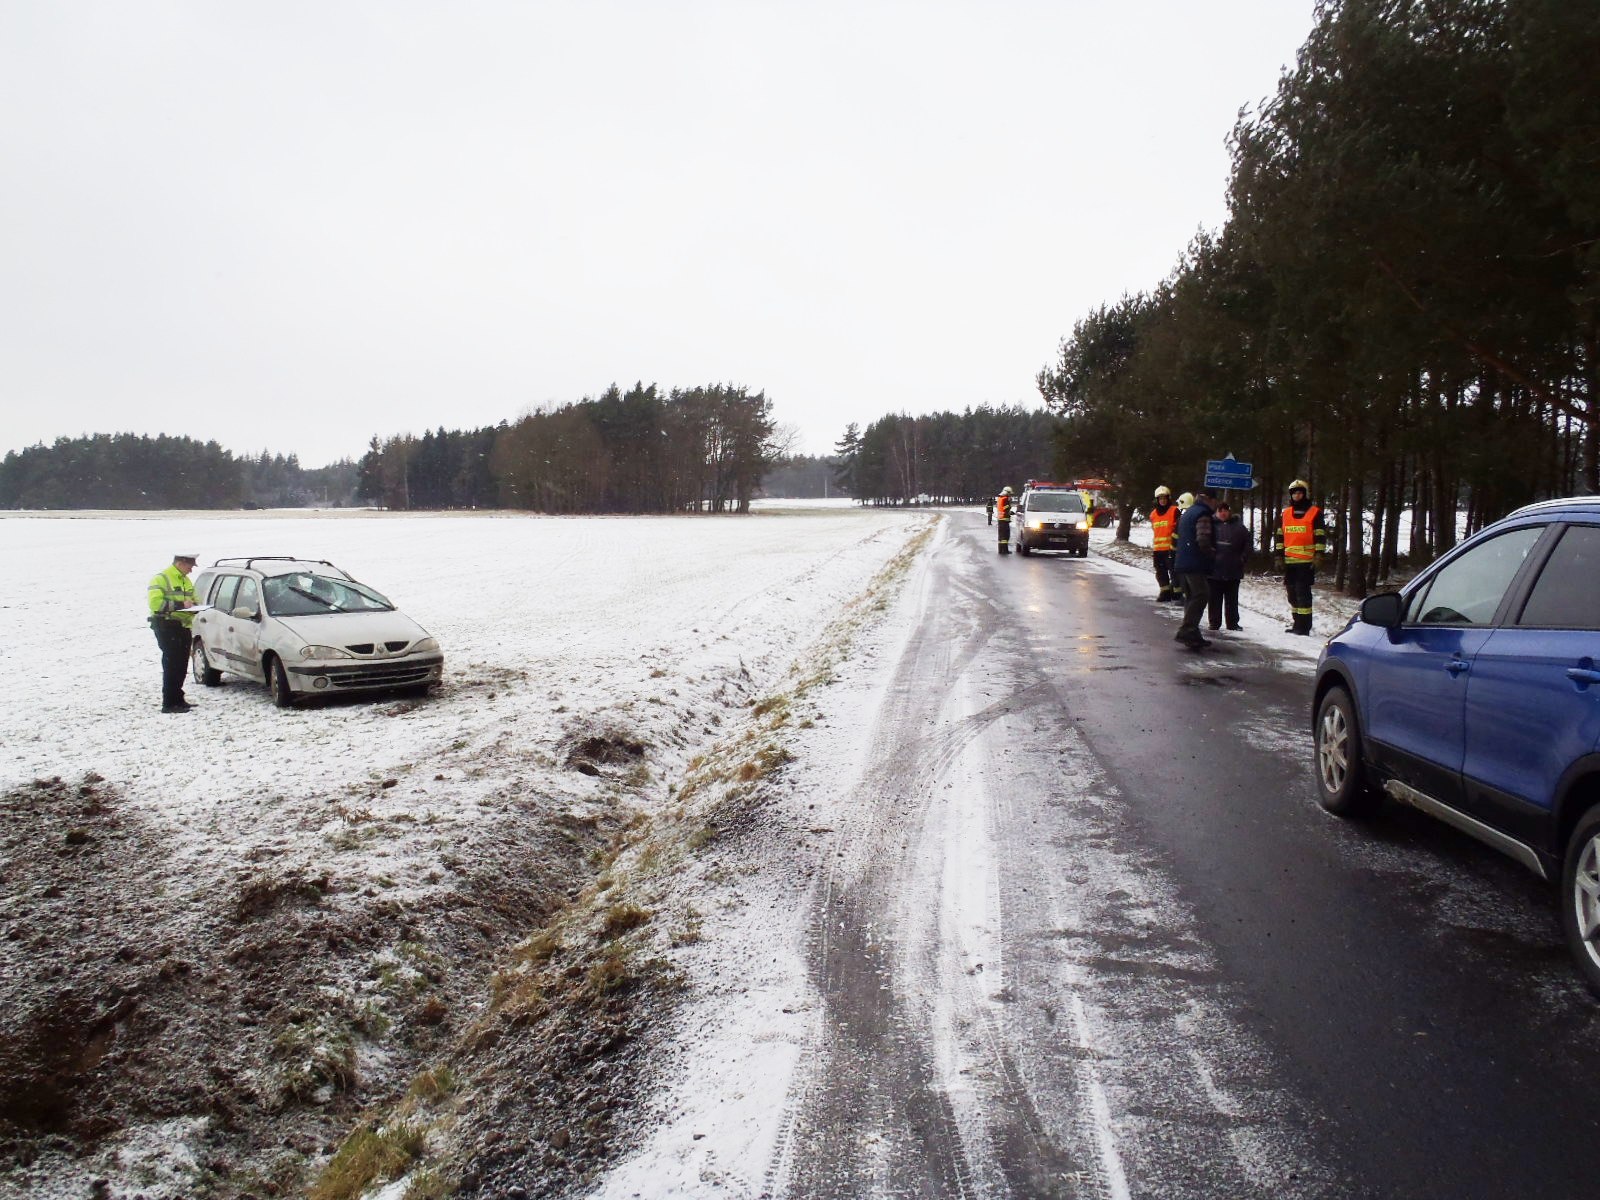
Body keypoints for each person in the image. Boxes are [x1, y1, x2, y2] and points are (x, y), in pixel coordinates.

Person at [1273, 479, 1328, 635]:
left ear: (1304, 494)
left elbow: (1320, 536)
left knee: (1302, 595)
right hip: (1289, 563)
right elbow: (1279, 537)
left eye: (1300, 492)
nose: (1297, 495)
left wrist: (1318, 555)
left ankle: (1304, 627)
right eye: (1294, 493)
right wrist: (1278, 556)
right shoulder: (1285, 514)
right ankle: (1297, 623)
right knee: (1292, 595)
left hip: (1306, 562)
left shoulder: (1314, 512)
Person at [148, 553, 199, 713]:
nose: (191, 570)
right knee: (172, 664)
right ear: (180, 563)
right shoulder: (161, 579)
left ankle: (178, 698)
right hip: (167, 626)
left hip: (183, 626)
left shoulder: (185, 580)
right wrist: (180, 604)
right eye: (190, 566)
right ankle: (169, 703)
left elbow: (193, 599)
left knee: (182, 664)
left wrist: (196, 605)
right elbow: (155, 603)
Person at [1172, 491, 1216, 648]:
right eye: (1214, 501)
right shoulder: (1203, 514)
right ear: (1210, 500)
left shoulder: (1189, 511)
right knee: (1201, 594)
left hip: (1183, 561)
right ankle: (1187, 629)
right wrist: (1212, 554)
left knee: (1191, 596)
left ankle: (1193, 633)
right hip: (1194, 563)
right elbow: (1203, 539)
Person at [1207, 499, 1253, 631]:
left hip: (1233, 570)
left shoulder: (1239, 527)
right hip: (1214, 571)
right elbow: (1204, 543)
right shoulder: (1211, 525)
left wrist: (1243, 558)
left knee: (1232, 600)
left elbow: (1248, 544)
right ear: (1216, 512)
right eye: (1220, 511)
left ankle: (1232, 623)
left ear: (1229, 512)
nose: (1223, 513)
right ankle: (1214, 622)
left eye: (1225, 510)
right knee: (1214, 599)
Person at [1149, 485, 1180, 602]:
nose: (1162, 500)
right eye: (1160, 498)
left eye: (1164, 498)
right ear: (1157, 500)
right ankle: (1165, 592)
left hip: (1171, 549)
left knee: (1174, 572)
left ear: (1168, 498)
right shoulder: (1153, 514)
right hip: (1158, 550)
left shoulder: (1174, 511)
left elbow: (1178, 529)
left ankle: (1177, 594)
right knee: (1160, 573)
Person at [995, 486, 1014, 554]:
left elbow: (1002, 508)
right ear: (1007, 493)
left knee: (1001, 536)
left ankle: (1000, 550)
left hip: (1000, 519)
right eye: (1009, 494)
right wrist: (1009, 506)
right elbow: (1006, 508)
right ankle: (1005, 550)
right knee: (1005, 536)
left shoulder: (1000, 498)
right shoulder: (1005, 499)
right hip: (1004, 520)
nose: (1010, 495)